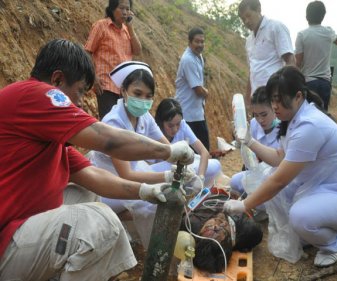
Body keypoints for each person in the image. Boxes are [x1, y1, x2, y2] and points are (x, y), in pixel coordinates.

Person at [0, 39, 195, 281]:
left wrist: (145, 191)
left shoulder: (48, 139)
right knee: (101, 222)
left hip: (18, 231)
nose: (81, 101)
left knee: (87, 195)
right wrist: (168, 152)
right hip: (6, 242)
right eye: (81, 90)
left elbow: (93, 176)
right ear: (57, 80)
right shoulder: (34, 94)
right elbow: (107, 139)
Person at [224, 66, 337, 267]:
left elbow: (280, 179)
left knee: (300, 217)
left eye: (278, 99)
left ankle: (331, 243)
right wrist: (249, 141)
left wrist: (245, 205)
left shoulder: (310, 126)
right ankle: (311, 231)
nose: (275, 105)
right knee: (265, 187)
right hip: (319, 188)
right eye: (272, 99)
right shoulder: (293, 121)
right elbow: (278, 158)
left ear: (298, 96)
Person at [89, 61, 197, 248]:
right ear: (123, 91)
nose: (143, 100)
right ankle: (142, 239)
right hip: (111, 184)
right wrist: (167, 176)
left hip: (135, 172)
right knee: (154, 203)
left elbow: (165, 148)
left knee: (187, 176)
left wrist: (183, 158)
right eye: (137, 94)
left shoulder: (144, 117)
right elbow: (127, 175)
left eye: (148, 96)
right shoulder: (114, 122)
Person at [85, 0, 142, 120]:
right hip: (106, 86)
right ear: (112, 8)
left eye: (127, 9)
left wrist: (130, 28)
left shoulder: (127, 30)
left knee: (122, 126)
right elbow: (87, 51)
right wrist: (93, 76)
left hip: (124, 88)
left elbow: (137, 50)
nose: (125, 12)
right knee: (110, 123)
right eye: (121, 8)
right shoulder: (101, 26)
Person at [180, 193, 263, 273]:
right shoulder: (248, 231)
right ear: (231, 240)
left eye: (208, 227)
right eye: (218, 230)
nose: (216, 225)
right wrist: (243, 204)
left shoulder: (190, 223)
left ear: (199, 233)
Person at [238, 0, 295, 113]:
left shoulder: (275, 27)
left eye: (248, 16)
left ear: (259, 9)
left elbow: (290, 61)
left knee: (278, 130)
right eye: (243, 19)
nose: (246, 21)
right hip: (257, 99)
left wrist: (284, 93)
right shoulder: (249, 40)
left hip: (275, 97)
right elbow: (252, 71)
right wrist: (247, 99)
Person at [152, 98, 222, 188]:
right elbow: (149, 166)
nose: (175, 129)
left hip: (183, 169)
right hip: (163, 173)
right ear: (161, 122)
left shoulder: (183, 126)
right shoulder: (154, 131)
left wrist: (200, 178)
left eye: (178, 124)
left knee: (215, 165)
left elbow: (204, 152)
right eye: (170, 125)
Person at [295, 0, 337, 111]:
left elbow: (298, 62)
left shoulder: (302, 35)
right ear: (323, 16)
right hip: (325, 82)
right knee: (322, 115)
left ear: (306, 16)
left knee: (307, 115)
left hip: (308, 83)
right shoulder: (328, 32)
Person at [230, 86, 280, 195]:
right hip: (257, 173)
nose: (260, 120)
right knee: (234, 181)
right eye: (256, 115)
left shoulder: (283, 129)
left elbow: (279, 163)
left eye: (264, 114)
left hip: (276, 177)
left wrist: (250, 141)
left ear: (274, 108)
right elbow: (249, 157)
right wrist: (240, 140)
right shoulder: (253, 124)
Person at [175, 27, 210, 151]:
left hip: (196, 113)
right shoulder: (188, 60)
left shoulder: (198, 57)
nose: (200, 45)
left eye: (202, 41)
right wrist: (206, 93)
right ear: (189, 43)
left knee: (200, 151)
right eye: (197, 41)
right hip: (188, 114)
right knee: (196, 152)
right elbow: (198, 90)